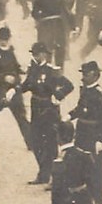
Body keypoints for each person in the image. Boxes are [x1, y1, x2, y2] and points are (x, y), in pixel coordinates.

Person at [20, 43, 74, 187]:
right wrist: (15, 90)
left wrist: (58, 95)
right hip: (35, 108)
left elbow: (69, 85)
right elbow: (27, 85)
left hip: (49, 110)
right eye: (34, 54)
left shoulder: (52, 70)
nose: (35, 56)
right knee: (36, 142)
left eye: (37, 54)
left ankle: (54, 178)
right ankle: (43, 173)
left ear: (44, 54)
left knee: (50, 144)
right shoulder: (32, 69)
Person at [68, 60, 102, 204]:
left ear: (95, 75)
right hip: (81, 133)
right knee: (81, 164)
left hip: (94, 136)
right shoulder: (85, 90)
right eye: (82, 74)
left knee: (96, 168)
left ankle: (98, 199)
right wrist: (69, 116)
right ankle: (85, 197)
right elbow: (81, 109)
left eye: (86, 75)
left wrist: (101, 139)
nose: (83, 78)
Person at [0, 26, 31, 149]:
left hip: (13, 90)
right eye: (1, 39)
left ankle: (31, 143)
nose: (3, 41)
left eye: (5, 39)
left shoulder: (11, 51)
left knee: (21, 117)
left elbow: (15, 67)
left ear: (9, 39)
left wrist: (20, 71)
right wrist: (3, 78)